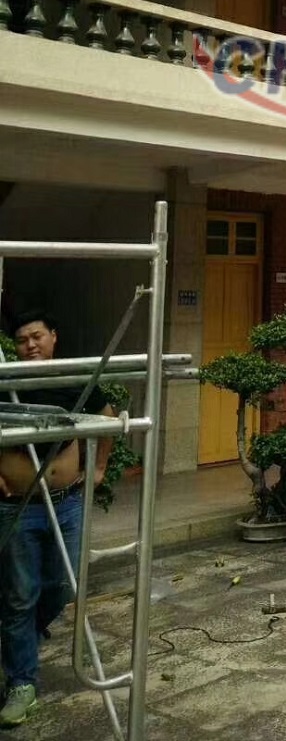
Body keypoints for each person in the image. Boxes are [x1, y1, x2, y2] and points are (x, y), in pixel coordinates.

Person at [0, 310, 114, 728]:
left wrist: (98, 467)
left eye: (37, 336)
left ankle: (19, 643)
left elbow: (107, 416)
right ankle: (22, 683)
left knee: (64, 586)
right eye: (22, 340)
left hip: (66, 503)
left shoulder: (72, 378)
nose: (30, 345)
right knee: (20, 595)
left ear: (53, 337)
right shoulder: (5, 381)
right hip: (17, 506)